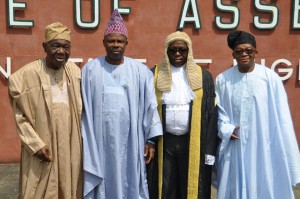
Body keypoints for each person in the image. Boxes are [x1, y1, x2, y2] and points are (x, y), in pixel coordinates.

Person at [81, 9, 163, 199]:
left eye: (119, 41)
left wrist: (150, 141)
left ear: (126, 43)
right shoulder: (91, 70)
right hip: (100, 143)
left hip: (131, 143)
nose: (115, 45)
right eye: (111, 40)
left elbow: (151, 106)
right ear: (104, 43)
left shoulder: (141, 72)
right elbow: (83, 110)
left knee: (130, 183)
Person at [215, 30, 300, 199]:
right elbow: (218, 113)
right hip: (235, 145)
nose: (244, 54)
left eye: (248, 50)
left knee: (264, 181)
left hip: (264, 145)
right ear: (233, 54)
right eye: (239, 51)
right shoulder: (222, 80)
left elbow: (282, 115)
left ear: (256, 52)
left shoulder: (270, 78)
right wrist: (225, 129)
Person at [8, 22, 83, 199]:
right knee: (37, 190)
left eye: (66, 46)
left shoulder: (74, 71)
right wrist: (35, 144)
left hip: (70, 145)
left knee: (69, 186)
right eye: (55, 45)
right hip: (42, 146)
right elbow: (21, 116)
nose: (61, 51)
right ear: (45, 46)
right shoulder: (26, 74)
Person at [149, 31, 218, 199]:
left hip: (193, 142)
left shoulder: (204, 77)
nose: (178, 54)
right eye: (173, 50)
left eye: (182, 50)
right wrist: (149, 140)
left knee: (190, 186)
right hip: (164, 143)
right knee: (166, 186)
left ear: (189, 51)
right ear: (167, 51)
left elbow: (211, 115)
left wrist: (209, 149)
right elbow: (147, 111)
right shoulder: (155, 74)